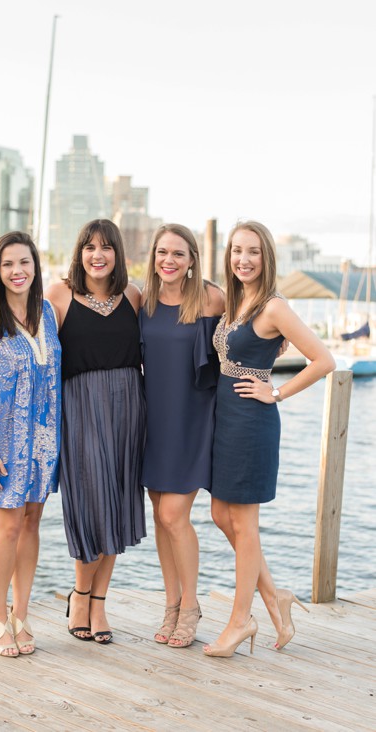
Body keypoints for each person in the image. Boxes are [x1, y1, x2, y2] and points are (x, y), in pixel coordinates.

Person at [203, 220, 334, 657]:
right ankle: (275, 597)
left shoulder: (273, 307)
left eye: (253, 252)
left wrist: (275, 392)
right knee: (222, 515)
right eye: (237, 250)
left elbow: (323, 359)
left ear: (267, 258)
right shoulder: (236, 301)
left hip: (251, 421)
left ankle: (241, 621)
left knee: (244, 523)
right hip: (225, 420)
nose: (243, 259)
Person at [0, 231, 62, 657]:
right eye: (7, 264)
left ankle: (22, 614)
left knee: (32, 524)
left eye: (24, 262)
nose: (17, 271)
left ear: (35, 266)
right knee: (7, 527)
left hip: (43, 438)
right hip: (1, 439)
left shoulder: (49, 313)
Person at [47, 218, 146, 645]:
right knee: (91, 507)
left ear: (118, 254)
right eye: (90, 247)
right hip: (81, 408)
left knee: (118, 507)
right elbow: (27, 339)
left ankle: (97, 603)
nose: (98, 255)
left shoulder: (135, 296)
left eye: (106, 247)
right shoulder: (58, 295)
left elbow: (189, 312)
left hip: (129, 408)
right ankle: (80, 594)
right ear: (79, 252)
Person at [139, 224, 225, 649]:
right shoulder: (144, 298)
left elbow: (254, 319)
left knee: (174, 516)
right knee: (160, 517)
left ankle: (190, 605)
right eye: (161, 253)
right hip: (153, 419)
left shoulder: (210, 298)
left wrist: (276, 344)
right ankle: (171, 604)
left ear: (192, 258)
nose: (168, 261)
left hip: (192, 419)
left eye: (177, 253)